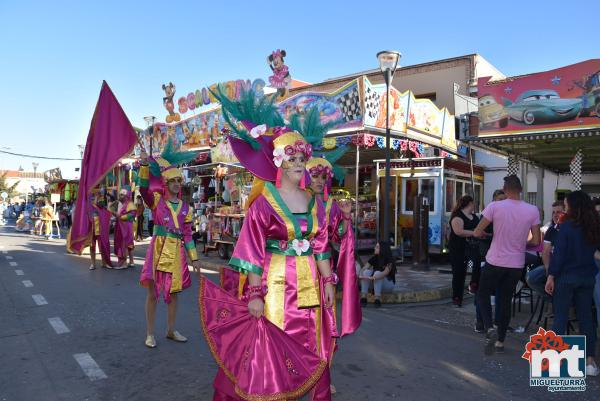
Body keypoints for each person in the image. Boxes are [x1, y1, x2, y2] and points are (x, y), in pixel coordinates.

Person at [203, 88, 335, 401]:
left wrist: (328, 280)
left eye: (302, 158)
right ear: (278, 162)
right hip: (276, 287)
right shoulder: (263, 204)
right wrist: (255, 294)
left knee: (311, 349)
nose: (299, 163)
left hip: (311, 288)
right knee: (273, 353)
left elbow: (320, 244)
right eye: (292, 158)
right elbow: (251, 254)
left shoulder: (315, 202)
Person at [306, 155, 361, 395]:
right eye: (315, 176)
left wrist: (346, 217)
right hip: (297, 270)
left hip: (323, 272)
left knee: (326, 324)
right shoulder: (296, 202)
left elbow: (338, 237)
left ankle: (323, 377)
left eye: (323, 177)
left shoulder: (332, 206)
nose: (319, 181)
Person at [138, 143, 201, 349]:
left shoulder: (186, 208)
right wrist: (145, 166)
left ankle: (171, 330)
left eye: (178, 181)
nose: (176, 184)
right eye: (172, 181)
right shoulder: (156, 201)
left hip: (176, 252)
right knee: (152, 292)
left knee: (174, 293)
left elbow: (188, 235)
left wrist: (195, 258)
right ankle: (149, 333)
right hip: (158, 249)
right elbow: (143, 189)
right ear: (165, 183)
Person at [474, 175, 541, 355]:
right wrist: (520, 243)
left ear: (504, 189)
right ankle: (500, 342)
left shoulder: (494, 206)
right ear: (521, 189)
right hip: (516, 263)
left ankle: (489, 328)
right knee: (505, 300)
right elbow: (536, 240)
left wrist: (486, 235)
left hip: (495, 260)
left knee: (483, 293)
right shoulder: (533, 210)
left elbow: (478, 231)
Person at [545, 191, 599, 376]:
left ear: (573, 207)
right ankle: (590, 362)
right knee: (586, 318)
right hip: (588, 276)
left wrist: (551, 276)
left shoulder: (567, 226)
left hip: (567, 277)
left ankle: (556, 362)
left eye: (567, 205)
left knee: (560, 316)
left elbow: (559, 254)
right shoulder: (594, 225)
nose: (565, 208)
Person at [526, 201, 564, 296]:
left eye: (558, 212)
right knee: (531, 278)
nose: (555, 215)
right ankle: (553, 299)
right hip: (551, 265)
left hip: (567, 266)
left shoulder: (571, 229)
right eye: (553, 213)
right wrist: (548, 269)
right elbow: (545, 252)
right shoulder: (551, 229)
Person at [448, 195, 480, 308]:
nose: (475, 205)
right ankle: (457, 298)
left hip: (473, 247)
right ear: (469, 203)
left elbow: (480, 228)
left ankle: (474, 284)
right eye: (474, 203)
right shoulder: (457, 216)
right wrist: (474, 233)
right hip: (458, 248)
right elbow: (459, 231)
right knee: (459, 273)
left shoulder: (474, 217)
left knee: (478, 262)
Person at [359, 241, 396, 308]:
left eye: (377, 247)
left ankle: (377, 299)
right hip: (375, 282)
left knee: (377, 273)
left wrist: (374, 277)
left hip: (388, 285)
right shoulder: (375, 258)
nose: (374, 248)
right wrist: (361, 275)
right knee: (366, 272)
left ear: (382, 249)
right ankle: (363, 298)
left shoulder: (389, 260)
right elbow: (364, 268)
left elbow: (385, 273)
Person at [111, 188, 136, 268]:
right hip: (120, 226)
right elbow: (114, 212)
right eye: (120, 194)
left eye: (122, 194)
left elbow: (133, 214)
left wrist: (121, 217)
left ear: (126, 196)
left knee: (126, 244)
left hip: (126, 227)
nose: (120, 195)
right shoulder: (118, 203)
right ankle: (130, 261)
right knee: (126, 244)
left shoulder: (130, 204)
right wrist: (114, 214)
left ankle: (123, 263)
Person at [88, 191, 112, 270]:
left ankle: (104, 262)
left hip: (100, 230)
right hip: (92, 230)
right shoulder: (90, 207)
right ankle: (93, 263)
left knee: (102, 246)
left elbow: (108, 216)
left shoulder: (104, 209)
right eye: (98, 200)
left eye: (101, 200)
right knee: (92, 247)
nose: (100, 201)